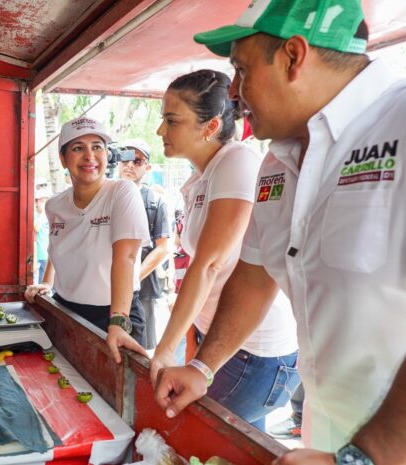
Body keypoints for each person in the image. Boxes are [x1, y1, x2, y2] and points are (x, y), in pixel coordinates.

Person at [154, 1, 406, 463]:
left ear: (293, 56)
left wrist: (370, 455)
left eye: (241, 69)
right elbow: (254, 273)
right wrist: (202, 366)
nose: (233, 92)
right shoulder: (277, 162)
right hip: (331, 425)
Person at [149, 69, 299, 431]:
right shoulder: (201, 177)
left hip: (252, 351)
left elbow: (211, 263)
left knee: (189, 433)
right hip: (217, 341)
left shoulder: (237, 161)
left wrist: (164, 349)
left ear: (210, 126)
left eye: (172, 120)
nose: (160, 131)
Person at [25, 117, 150, 363]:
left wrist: (118, 320)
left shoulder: (122, 192)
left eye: (97, 147)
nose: (89, 156)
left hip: (114, 316)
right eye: (78, 148)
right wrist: (47, 282)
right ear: (63, 158)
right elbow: (57, 246)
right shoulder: (54, 205)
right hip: (66, 311)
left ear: (107, 154)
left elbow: (126, 257)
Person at [117, 139, 172, 351]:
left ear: (147, 167)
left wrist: (133, 278)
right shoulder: (104, 194)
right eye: (125, 158)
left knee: (139, 346)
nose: (129, 165)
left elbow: (162, 247)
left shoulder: (156, 202)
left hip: (143, 287)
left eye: (137, 161)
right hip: (107, 285)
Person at [33, 186, 51, 283]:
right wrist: (43, 213)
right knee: (40, 282)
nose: (44, 203)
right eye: (41, 201)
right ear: (36, 202)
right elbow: (36, 227)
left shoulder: (50, 215)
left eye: (46, 201)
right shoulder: (34, 215)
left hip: (48, 254)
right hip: (39, 255)